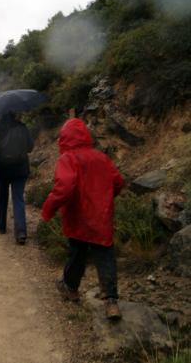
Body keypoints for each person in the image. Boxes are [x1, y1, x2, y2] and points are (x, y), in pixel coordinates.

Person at [41, 118, 125, 320]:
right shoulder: (100, 157)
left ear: (64, 139)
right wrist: (105, 198)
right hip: (101, 216)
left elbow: (65, 187)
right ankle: (111, 302)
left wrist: (49, 208)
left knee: (77, 253)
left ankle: (70, 288)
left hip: (78, 216)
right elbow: (119, 181)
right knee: (105, 255)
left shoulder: (68, 158)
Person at [0, 112, 33, 244]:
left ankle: (1, 226)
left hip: (2, 170)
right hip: (20, 168)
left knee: (2, 197)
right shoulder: (22, 127)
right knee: (18, 199)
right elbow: (30, 147)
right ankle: (21, 232)